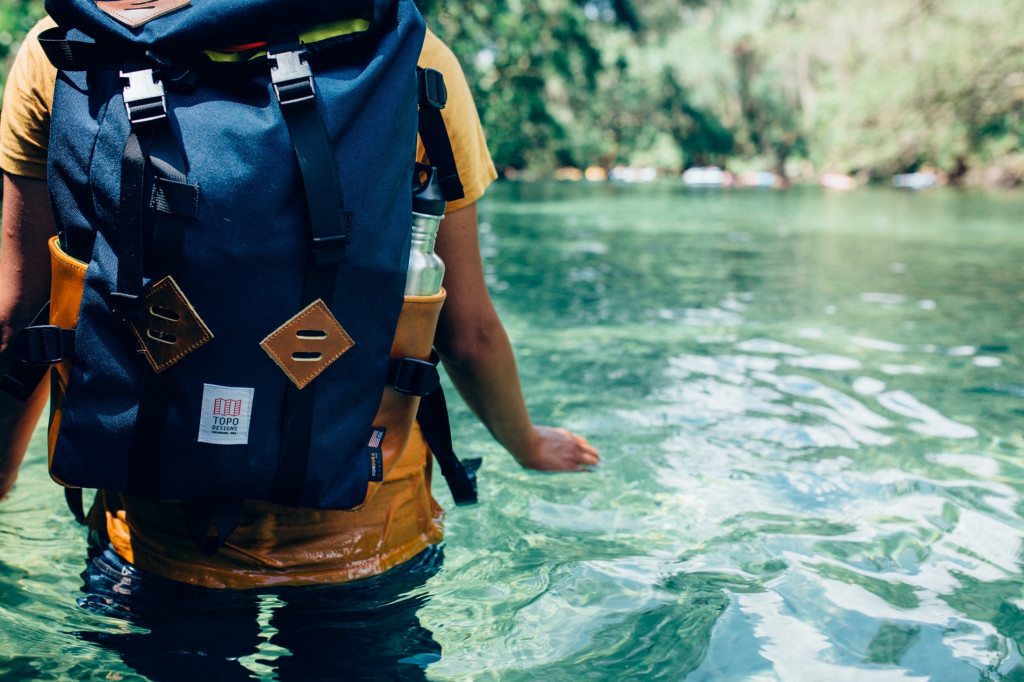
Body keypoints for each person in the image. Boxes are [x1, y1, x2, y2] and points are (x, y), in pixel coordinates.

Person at [0, 14, 597, 599]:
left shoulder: (71, 43)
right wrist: (528, 443)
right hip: (363, 527)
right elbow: (467, 333)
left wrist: (3, 480)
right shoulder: (403, 48)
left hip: (157, 526)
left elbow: (21, 315)